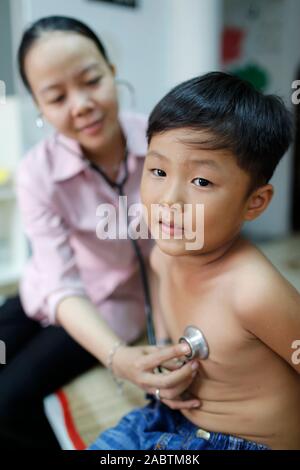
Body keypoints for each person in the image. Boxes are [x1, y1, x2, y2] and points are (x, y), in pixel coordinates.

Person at [0, 16, 200, 449]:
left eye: (90, 80)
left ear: (111, 71)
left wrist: (128, 351)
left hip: (106, 306)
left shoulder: (162, 145)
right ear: (39, 106)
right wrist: (117, 359)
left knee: (8, 400)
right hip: (44, 294)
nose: (81, 105)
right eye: (56, 97)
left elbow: (170, 256)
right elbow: (57, 281)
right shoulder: (38, 173)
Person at [89, 72, 300, 451]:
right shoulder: (161, 257)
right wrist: (165, 366)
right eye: (158, 171)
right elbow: (167, 326)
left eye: (201, 182)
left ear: (255, 201)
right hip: (170, 418)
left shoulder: (255, 292)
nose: (169, 200)